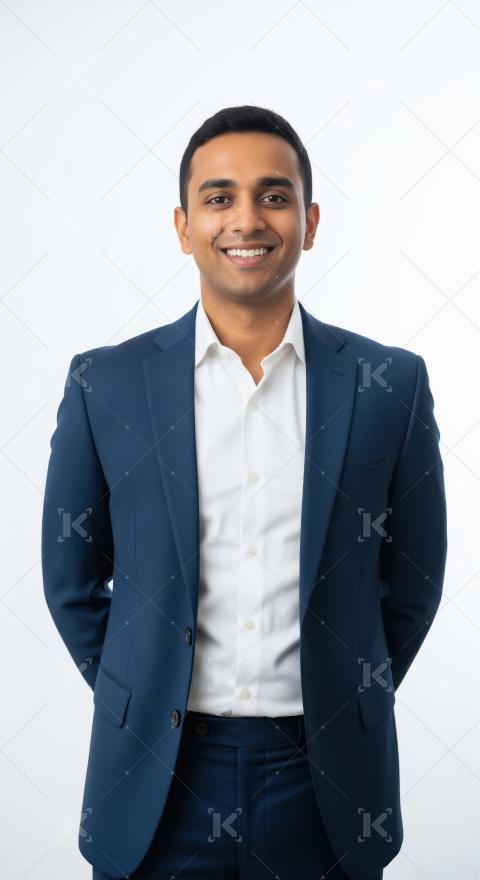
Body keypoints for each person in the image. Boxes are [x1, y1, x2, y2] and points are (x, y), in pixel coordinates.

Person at [41, 105, 448, 880]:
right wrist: (145, 683)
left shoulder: (389, 383)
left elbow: (414, 584)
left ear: (311, 218)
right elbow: (72, 583)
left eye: (274, 194)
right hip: (157, 780)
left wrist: (345, 687)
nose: (247, 219)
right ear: (183, 223)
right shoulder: (107, 384)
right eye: (219, 197)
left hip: (326, 778)